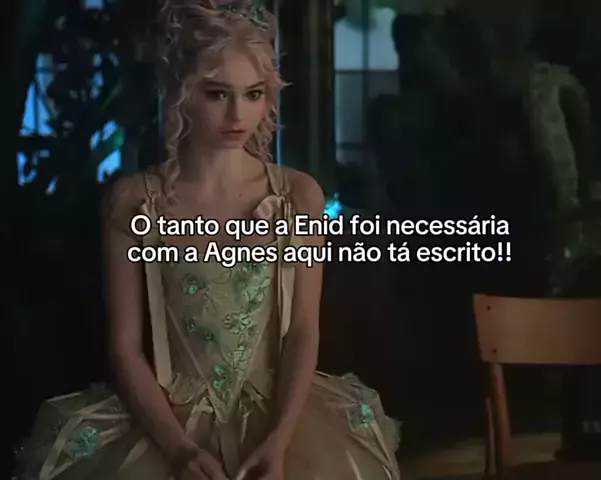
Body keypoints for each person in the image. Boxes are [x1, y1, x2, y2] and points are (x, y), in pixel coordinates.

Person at [16, 1, 401, 479]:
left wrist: (279, 440)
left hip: (282, 417)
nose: (239, 113)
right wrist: (179, 450)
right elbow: (124, 348)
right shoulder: (134, 201)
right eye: (218, 94)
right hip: (165, 421)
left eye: (253, 93)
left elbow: (303, 329)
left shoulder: (298, 197)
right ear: (181, 91)